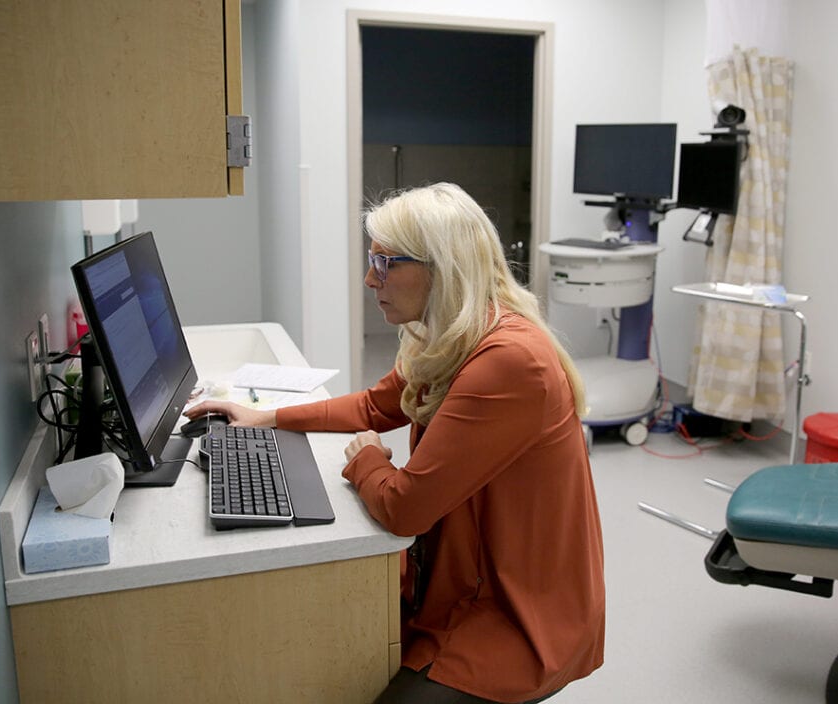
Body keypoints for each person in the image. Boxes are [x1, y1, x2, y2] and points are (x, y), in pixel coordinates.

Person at [186, 182, 605, 704]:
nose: (369, 279)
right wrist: (265, 416)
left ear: (442, 267)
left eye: (385, 264)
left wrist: (365, 460)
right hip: (456, 580)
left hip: (511, 614)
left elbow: (404, 508)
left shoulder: (509, 360)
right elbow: (373, 406)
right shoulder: (450, 335)